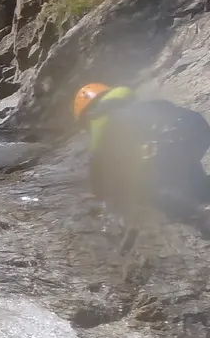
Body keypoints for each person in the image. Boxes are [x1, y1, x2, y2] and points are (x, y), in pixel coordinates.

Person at [73, 83, 210, 233]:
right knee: (185, 170)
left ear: (87, 115)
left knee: (147, 186)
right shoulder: (131, 102)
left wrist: (100, 195)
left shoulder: (98, 118)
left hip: (168, 139)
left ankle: (202, 214)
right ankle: (204, 196)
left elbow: (98, 165)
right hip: (194, 126)